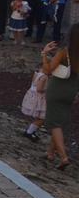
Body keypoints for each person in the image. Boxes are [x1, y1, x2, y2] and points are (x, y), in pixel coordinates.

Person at [40, 25, 79, 170]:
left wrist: (44, 54)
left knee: (54, 123)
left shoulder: (64, 52)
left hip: (57, 89)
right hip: (71, 90)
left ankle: (63, 157)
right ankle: (50, 152)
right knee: (60, 121)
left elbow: (48, 70)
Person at [21, 64, 47, 142]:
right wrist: (48, 89)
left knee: (39, 117)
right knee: (43, 118)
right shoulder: (44, 77)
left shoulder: (36, 73)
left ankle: (32, 131)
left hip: (32, 97)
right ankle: (29, 132)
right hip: (39, 99)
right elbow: (39, 89)